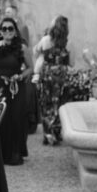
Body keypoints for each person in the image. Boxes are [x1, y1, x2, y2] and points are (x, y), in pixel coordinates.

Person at [0, 16, 32, 165]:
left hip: (14, 87)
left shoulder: (22, 48)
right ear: (0, 32)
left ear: (15, 31)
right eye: (4, 28)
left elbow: (30, 68)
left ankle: (13, 152)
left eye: (10, 28)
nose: (7, 31)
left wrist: (20, 76)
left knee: (14, 119)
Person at [33, 15, 70, 144]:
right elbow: (72, 63)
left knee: (46, 103)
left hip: (47, 74)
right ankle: (56, 132)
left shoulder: (45, 40)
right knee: (59, 103)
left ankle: (48, 133)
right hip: (61, 75)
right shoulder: (68, 43)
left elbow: (36, 52)